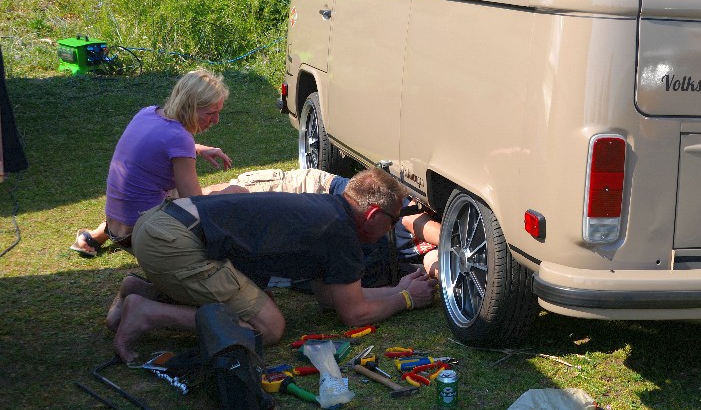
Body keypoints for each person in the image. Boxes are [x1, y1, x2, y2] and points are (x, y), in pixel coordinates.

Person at [109, 167, 438, 362]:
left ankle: (139, 289)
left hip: (159, 226)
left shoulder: (328, 210)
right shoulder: (340, 232)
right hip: (175, 245)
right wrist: (406, 299)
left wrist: (396, 288)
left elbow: (331, 299)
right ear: (373, 215)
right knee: (269, 327)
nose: (392, 230)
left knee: (247, 307)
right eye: (393, 221)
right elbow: (354, 315)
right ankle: (146, 313)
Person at [70, 69, 243, 256]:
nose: (216, 120)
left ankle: (96, 236)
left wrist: (198, 148)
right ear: (190, 106)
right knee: (236, 193)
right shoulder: (179, 138)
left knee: (188, 191)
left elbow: (158, 143)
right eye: (211, 113)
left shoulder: (147, 113)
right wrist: (231, 194)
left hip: (116, 224)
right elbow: (194, 204)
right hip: (143, 234)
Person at [206, 167, 441, 283]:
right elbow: (416, 223)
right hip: (320, 192)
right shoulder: (406, 213)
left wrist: (449, 270)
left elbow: (435, 263)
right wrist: (459, 244)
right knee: (232, 197)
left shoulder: (425, 253)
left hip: (344, 224)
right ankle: (176, 200)